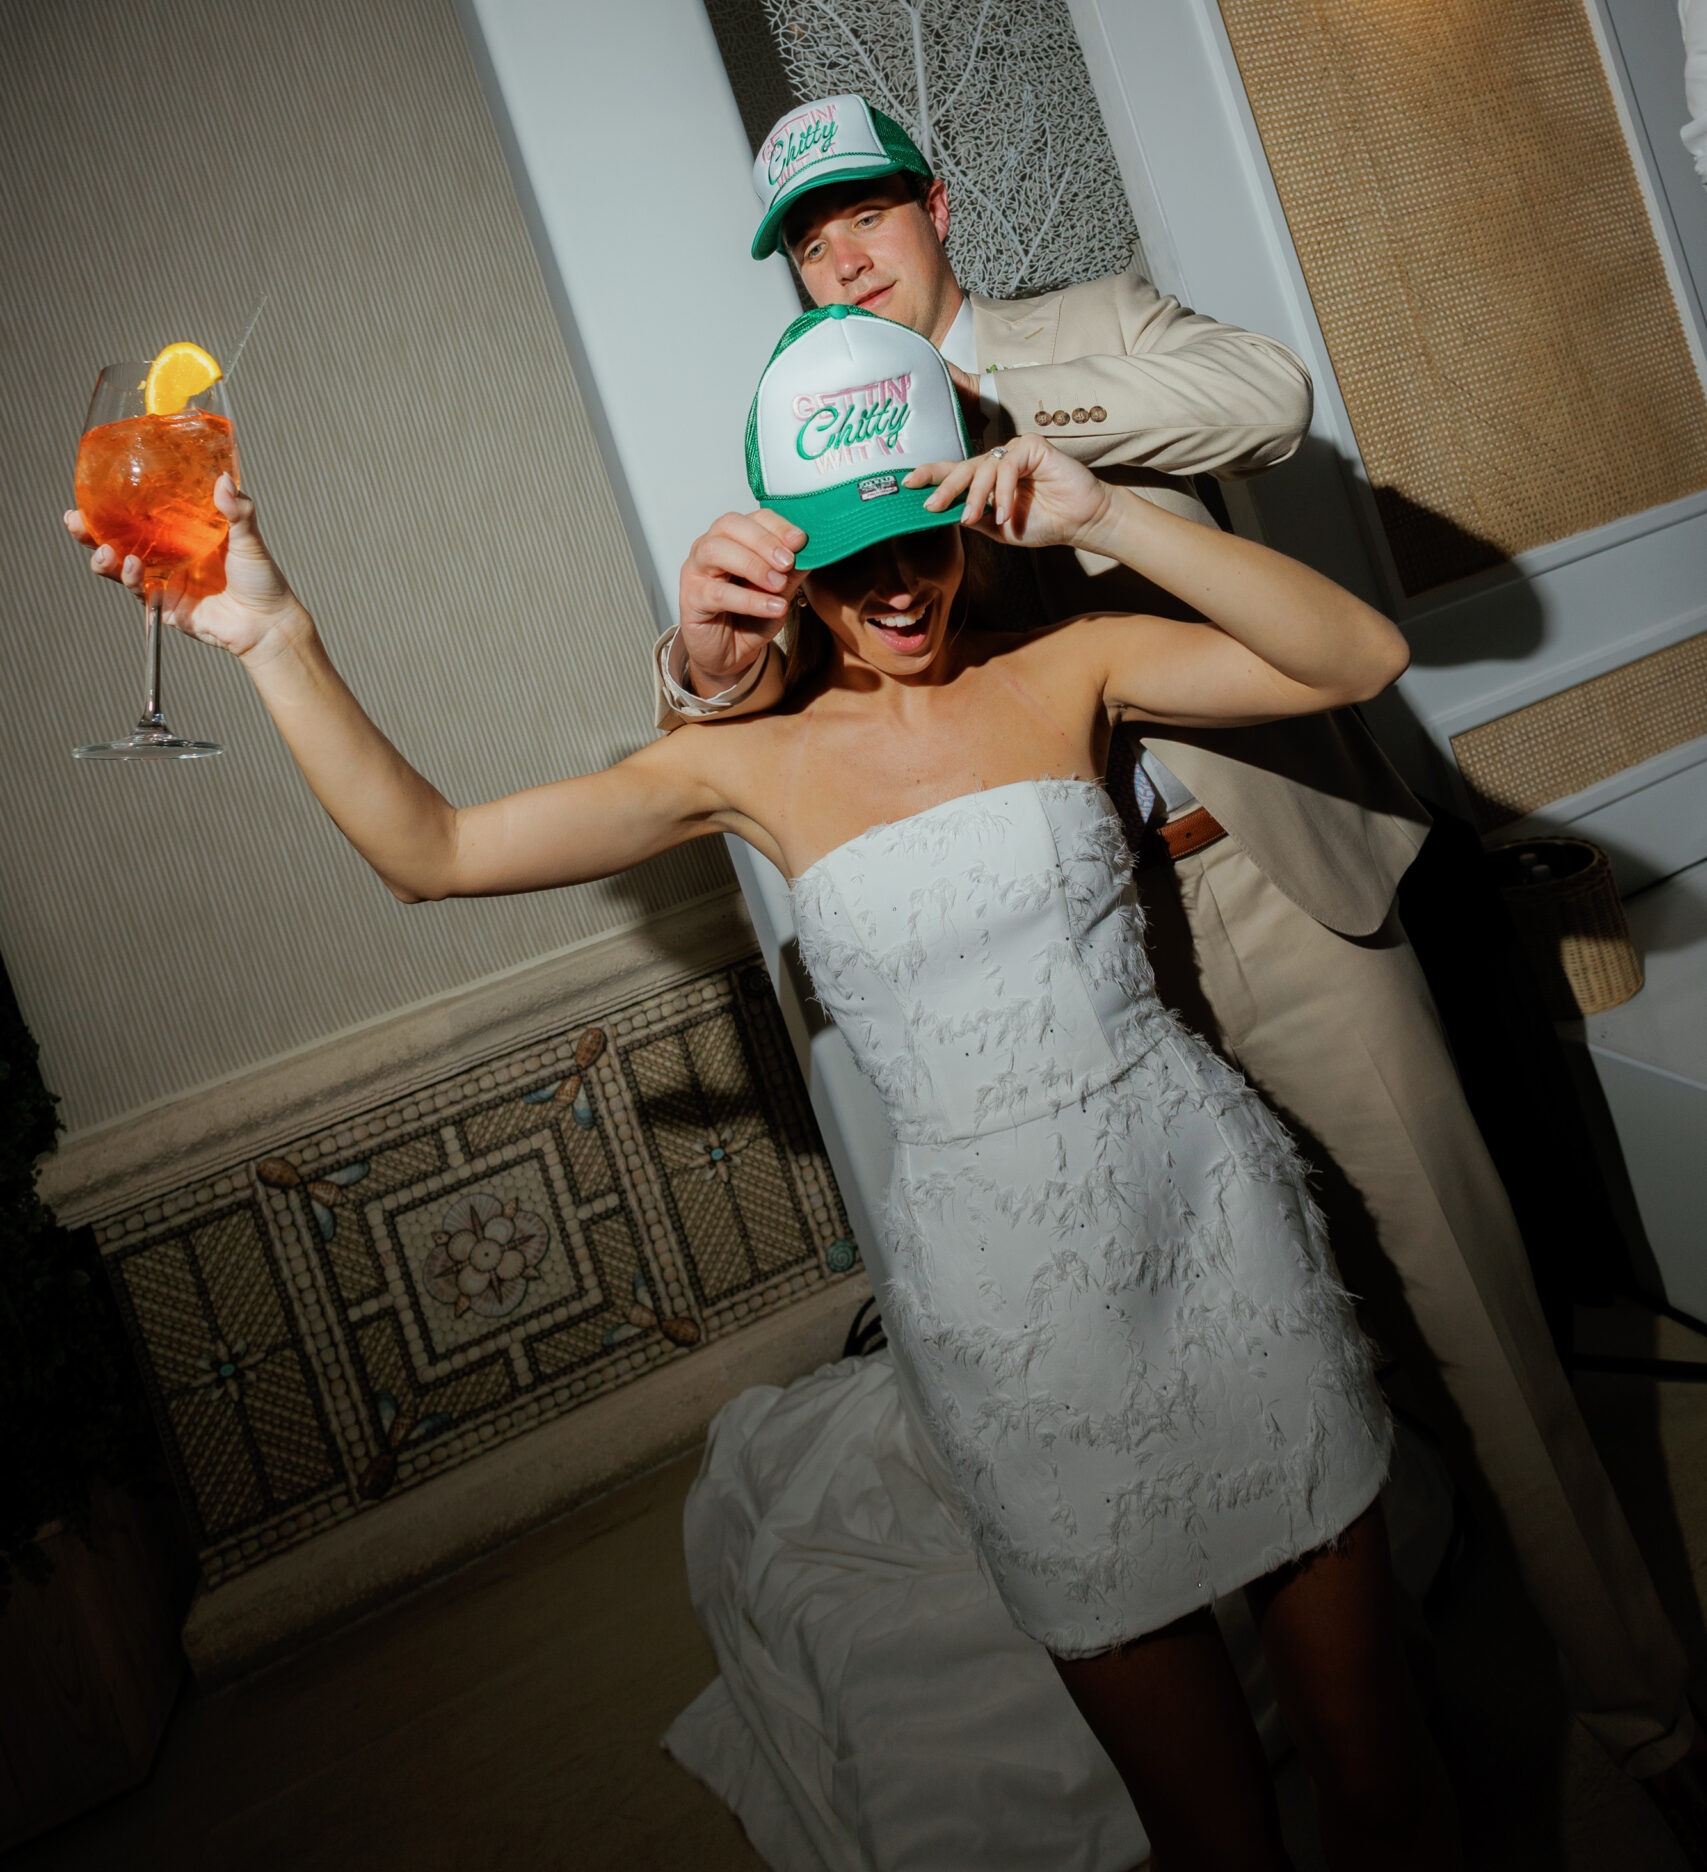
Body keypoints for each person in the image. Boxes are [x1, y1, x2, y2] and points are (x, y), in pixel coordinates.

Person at [70, 301, 1459, 1870]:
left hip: (1217, 1231)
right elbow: (431, 855)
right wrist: (274, 636)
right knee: (1210, 1832)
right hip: (1010, 1316)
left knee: (1381, 1775)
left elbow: (1361, 653)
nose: (889, 588)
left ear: (962, 506)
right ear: (789, 555)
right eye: (843, 553)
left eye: (913, 535)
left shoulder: (1071, 663)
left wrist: (1104, 507)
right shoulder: (750, 763)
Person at [657, 92, 1707, 1843]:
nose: (841, 263)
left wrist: (1009, 423)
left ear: (934, 205)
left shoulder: (1088, 331)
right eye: (808, 247)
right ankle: (1396, 1707)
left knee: (1464, 1302)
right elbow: (745, 660)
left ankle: (1647, 1711)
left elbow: (1270, 404)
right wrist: (693, 666)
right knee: (1273, 1353)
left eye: (863, 219)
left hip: (1263, 884)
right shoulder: (829, 429)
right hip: (1076, 968)